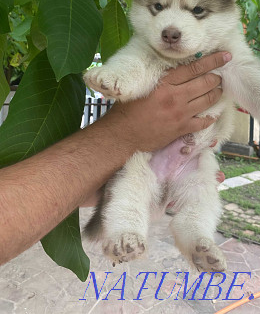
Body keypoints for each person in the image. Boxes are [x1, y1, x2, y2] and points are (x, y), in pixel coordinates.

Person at [0, 51, 231, 265]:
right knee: (136, 180)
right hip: (148, 157)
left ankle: (195, 237)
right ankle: (125, 233)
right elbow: (138, 60)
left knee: (202, 191)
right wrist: (124, 128)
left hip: (194, 158)